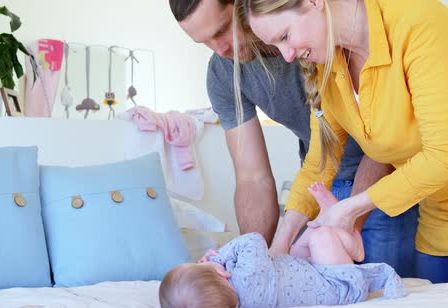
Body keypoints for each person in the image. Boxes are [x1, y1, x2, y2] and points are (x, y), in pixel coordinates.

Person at [235, 0, 448, 289]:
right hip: (441, 218)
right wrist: (279, 248)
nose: (286, 55)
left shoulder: (418, 24)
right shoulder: (330, 66)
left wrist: (349, 210)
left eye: (284, 36)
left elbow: (443, 158)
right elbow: (320, 165)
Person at [168, 0, 420, 277]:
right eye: (204, 42)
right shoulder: (222, 72)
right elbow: (253, 178)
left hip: (381, 180)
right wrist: (252, 261)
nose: (219, 50)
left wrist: (350, 222)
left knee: (385, 292)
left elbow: (384, 146)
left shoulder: (323, 33)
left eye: (222, 30)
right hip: (316, 185)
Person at [159, 228, 405, 308]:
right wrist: (220, 257)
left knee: (301, 243)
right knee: (320, 235)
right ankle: (354, 246)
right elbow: (254, 239)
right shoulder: (246, 276)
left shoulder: (240, 303)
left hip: (302, 270)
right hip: (337, 284)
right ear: (220, 274)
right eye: (199, 264)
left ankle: (331, 222)